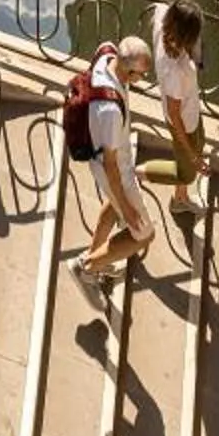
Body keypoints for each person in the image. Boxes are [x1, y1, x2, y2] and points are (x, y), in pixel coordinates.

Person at [73, 37, 154, 296]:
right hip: (115, 170)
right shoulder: (110, 112)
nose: (144, 77)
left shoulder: (105, 50)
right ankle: (86, 267)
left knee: (111, 208)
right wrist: (128, 209)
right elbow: (111, 166)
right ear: (129, 73)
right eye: (142, 74)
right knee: (143, 234)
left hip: (114, 161)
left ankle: (97, 258)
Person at [149, 0, 207, 219]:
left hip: (190, 111)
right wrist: (192, 156)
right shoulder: (178, 70)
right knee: (187, 174)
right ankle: (136, 174)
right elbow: (175, 115)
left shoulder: (162, 18)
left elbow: (161, 6)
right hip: (183, 121)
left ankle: (181, 198)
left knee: (200, 144)